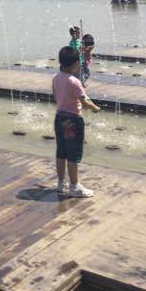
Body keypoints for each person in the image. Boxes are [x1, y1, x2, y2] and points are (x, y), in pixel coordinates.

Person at [52, 46, 100, 198]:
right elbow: (84, 102)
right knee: (73, 154)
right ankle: (74, 186)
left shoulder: (56, 77)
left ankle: (61, 183)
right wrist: (95, 108)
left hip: (59, 117)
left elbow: (55, 96)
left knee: (61, 152)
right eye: (78, 62)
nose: (79, 64)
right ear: (74, 64)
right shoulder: (74, 81)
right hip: (72, 120)